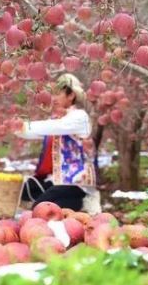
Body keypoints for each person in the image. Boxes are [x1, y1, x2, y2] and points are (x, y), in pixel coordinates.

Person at [15, 73, 99, 212]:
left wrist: (23, 125)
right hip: (59, 180)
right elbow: (36, 131)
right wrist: (14, 128)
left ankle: (78, 208)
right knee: (23, 191)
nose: (53, 99)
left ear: (71, 95)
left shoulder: (79, 117)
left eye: (57, 94)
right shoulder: (60, 119)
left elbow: (54, 126)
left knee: (40, 209)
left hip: (76, 184)